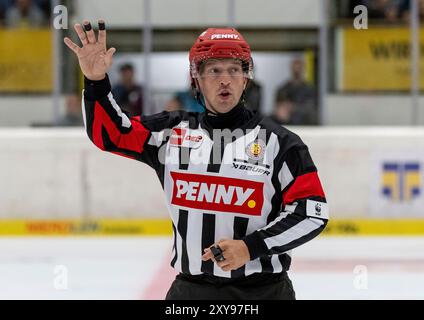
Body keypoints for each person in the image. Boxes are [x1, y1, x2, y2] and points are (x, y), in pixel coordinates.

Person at [64, 20, 329, 300]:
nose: (224, 79)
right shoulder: (171, 133)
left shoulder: (281, 143)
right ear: (197, 79)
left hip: (264, 293)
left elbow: (312, 213)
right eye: (213, 70)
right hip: (191, 293)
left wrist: (250, 247)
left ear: (245, 78)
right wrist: (95, 82)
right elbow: (111, 133)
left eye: (234, 70)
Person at [275, 57, 318, 125]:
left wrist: (293, 108)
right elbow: (278, 109)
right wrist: (281, 110)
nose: (297, 71)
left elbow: (312, 109)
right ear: (291, 69)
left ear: (303, 69)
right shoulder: (283, 89)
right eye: (295, 69)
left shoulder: (310, 90)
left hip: (305, 126)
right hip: (286, 126)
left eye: (299, 68)